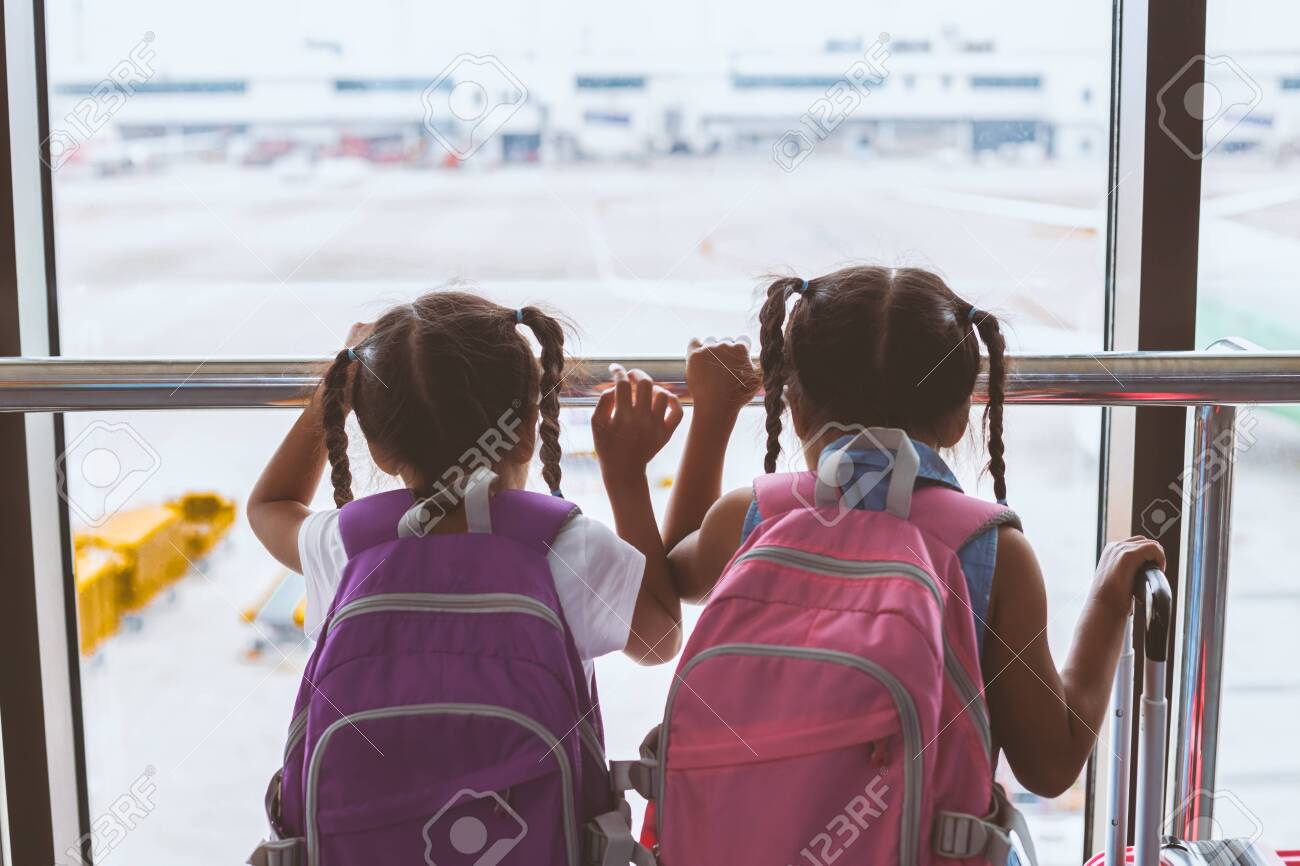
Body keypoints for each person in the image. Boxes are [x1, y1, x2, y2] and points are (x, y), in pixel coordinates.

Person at [651, 266, 1164, 862]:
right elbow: (1050, 764)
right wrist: (1106, 600)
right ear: (959, 416)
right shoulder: (989, 549)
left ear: (792, 406)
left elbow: (673, 570)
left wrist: (712, 417)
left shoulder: (752, 515)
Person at [245, 290, 679, 864]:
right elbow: (660, 639)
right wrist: (626, 476)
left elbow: (269, 505)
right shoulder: (560, 546)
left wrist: (334, 388)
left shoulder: (349, 544)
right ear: (528, 428)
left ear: (376, 447)